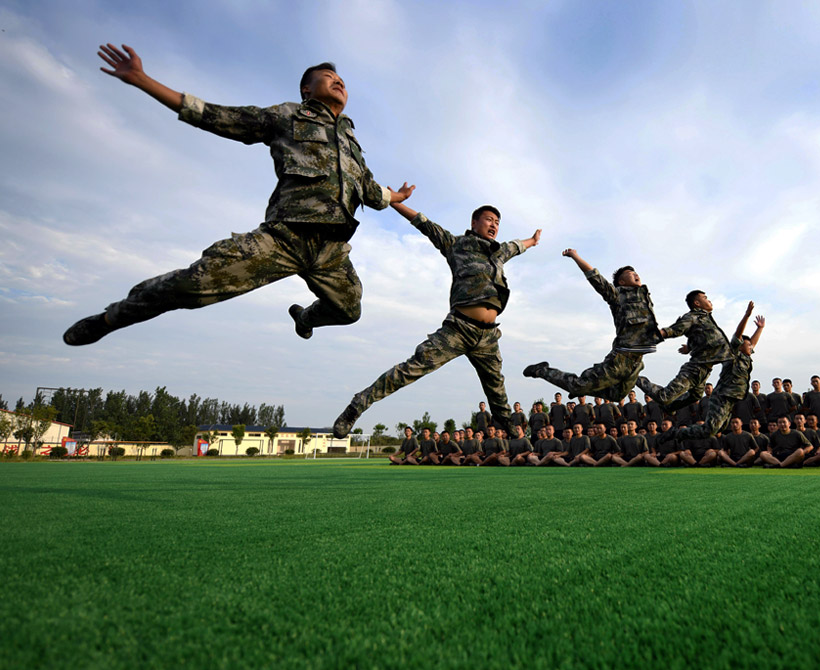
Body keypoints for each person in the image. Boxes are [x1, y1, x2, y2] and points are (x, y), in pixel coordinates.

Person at [65, 46, 415, 346]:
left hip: (331, 252)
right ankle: (111, 318)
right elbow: (220, 118)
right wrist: (143, 80)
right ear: (306, 89)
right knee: (193, 284)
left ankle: (305, 319)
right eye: (327, 76)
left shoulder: (350, 140)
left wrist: (395, 196)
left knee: (349, 310)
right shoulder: (287, 115)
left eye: (341, 80)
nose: (338, 81)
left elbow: (368, 189)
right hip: (285, 238)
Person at [333, 202, 542, 438]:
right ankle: (358, 404)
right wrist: (394, 201)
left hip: (488, 337)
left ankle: (516, 437)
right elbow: (424, 223)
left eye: (497, 222)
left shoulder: (499, 251)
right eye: (488, 219)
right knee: (411, 368)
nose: (494, 225)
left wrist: (533, 241)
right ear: (474, 223)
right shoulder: (456, 245)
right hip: (459, 329)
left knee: (498, 393)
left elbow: (517, 245)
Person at [524, 250, 662, 401]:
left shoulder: (644, 298)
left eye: (636, 272)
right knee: (578, 385)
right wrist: (575, 256)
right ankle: (542, 371)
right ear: (621, 282)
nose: (635, 274)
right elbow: (595, 278)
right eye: (630, 273)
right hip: (621, 358)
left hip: (637, 362)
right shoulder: (618, 295)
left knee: (617, 395)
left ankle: (584, 388)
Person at [637, 293, 749, 413]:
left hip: (704, 371)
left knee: (695, 396)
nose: (709, 300)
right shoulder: (692, 317)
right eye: (705, 298)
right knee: (665, 397)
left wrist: (689, 347)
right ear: (697, 303)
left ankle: (668, 408)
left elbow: (703, 337)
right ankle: (635, 378)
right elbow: (674, 330)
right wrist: (652, 337)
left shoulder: (705, 318)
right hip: (694, 370)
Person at [670, 308, 766, 440]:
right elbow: (738, 334)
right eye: (748, 345)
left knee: (718, 429)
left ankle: (681, 434)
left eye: (750, 346)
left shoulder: (745, 357)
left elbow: (753, 342)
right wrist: (746, 316)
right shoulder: (733, 353)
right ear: (740, 345)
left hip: (731, 397)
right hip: (722, 395)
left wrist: (760, 328)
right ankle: (676, 433)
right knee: (709, 429)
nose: (751, 347)